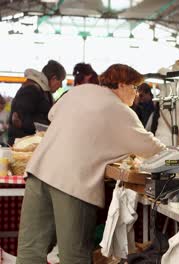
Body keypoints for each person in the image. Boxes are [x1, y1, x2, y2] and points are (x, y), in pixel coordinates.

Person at [16, 64, 167, 264]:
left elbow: (53, 115)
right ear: (122, 85)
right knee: (74, 255)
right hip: (73, 183)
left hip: (39, 171)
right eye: (135, 87)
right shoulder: (120, 109)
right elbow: (151, 148)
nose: (137, 94)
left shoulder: (78, 91)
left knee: (30, 249)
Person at [8, 60, 66, 145]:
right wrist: (45, 128)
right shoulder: (31, 89)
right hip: (22, 145)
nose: (61, 86)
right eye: (60, 81)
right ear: (53, 78)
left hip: (30, 143)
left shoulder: (43, 91)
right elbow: (20, 119)